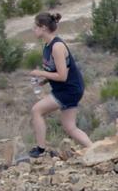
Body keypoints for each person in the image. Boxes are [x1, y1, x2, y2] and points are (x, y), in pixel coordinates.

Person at [28, 12, 92, 157]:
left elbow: (62, 76)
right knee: (70, 127)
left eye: (35, 26)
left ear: (43, 28)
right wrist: (44, 81)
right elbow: (56, 70)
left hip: (68, 89)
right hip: (68, 89)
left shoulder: (57, 47)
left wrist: (40, 73)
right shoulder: (47, 45)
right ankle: (94, 149)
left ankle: (40, 149)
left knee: (37, 110)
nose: (33, 29)